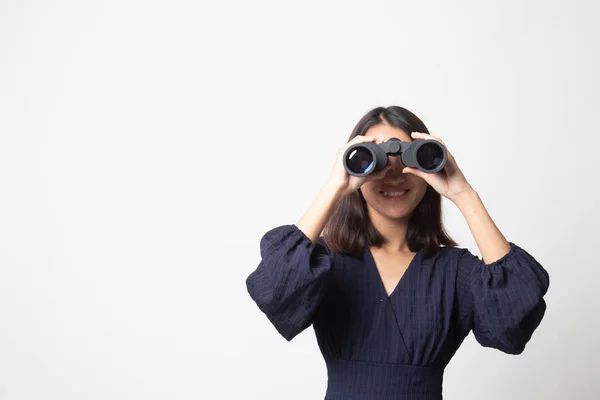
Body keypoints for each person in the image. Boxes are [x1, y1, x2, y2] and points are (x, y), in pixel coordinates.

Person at [245, 106, 550, 399]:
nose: (393, 175)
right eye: (377, 160)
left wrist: (462, 192)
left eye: (408, 159)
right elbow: (273, 289)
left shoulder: (455, 271)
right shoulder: (325, 262)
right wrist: (335, 187)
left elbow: (513, 326)